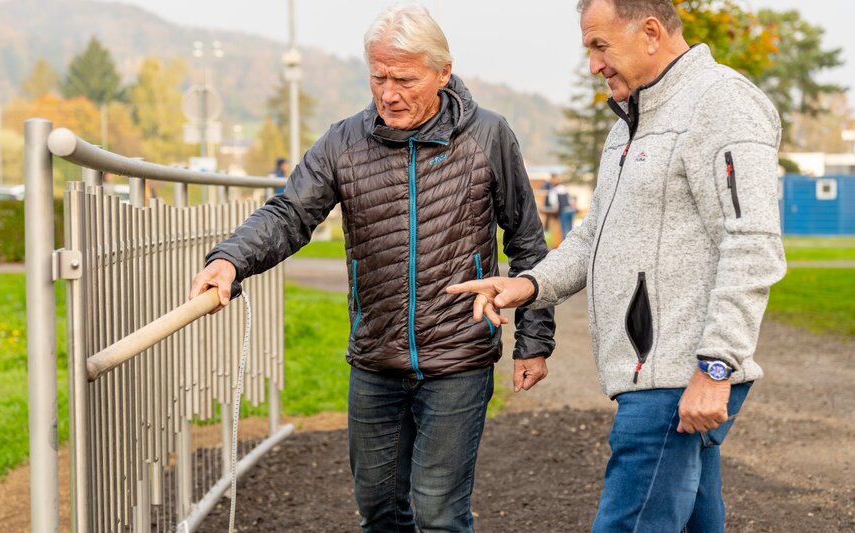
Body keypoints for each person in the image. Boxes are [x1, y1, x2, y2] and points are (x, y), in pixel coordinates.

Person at [189, 5, 555, 531]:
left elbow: (527, 241)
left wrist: (534, 341)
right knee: (379, 511)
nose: (389, 93)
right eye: (378, 77)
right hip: (375, 359)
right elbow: (289, 214)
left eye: (404, 79)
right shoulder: (344, 141)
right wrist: (230, 259)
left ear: (443, 73)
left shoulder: (489, 135)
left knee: (438, 512)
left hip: (459, 356)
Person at [447, 1, 786, 531]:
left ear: (650, 32)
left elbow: (752, 243)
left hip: (676, 379)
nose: (593, 65)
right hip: (661, 380)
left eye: (600, 46)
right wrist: (528, 284)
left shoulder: (722, 103)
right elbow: (594, 236)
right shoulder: (631, 122)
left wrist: (716, 367)